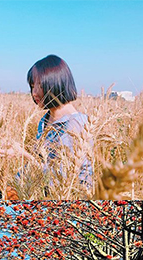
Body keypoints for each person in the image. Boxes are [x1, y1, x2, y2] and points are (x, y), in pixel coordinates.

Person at [26, 54, 93, 188]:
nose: (34, 93)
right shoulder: (45, 120)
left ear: (56, 83)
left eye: (39, 85)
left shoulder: (76, 125)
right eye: (32, 86)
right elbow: (40, 160)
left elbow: (58, 179)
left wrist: (22, 155)